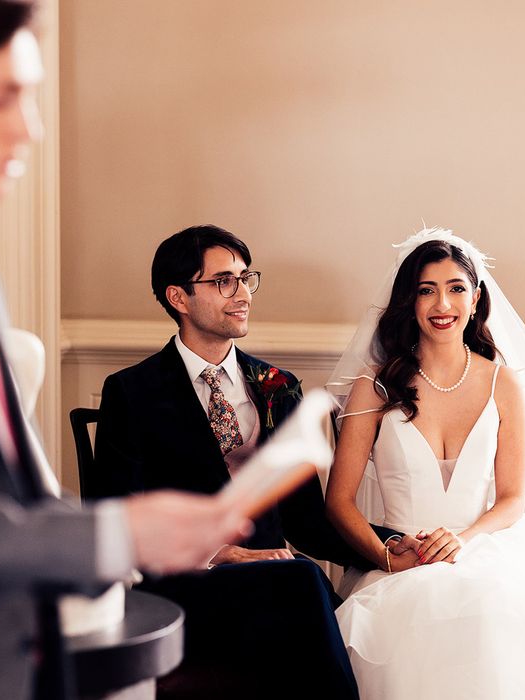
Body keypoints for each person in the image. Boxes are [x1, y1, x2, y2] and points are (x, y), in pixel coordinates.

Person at [0, 3, 253, 699]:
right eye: (2, 97)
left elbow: (4, 493)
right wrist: (111, 536)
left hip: (10, 659)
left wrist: (133, 535)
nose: (31, 126)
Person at [324, 227, 525, 699]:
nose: (443, 305)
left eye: (456, 288)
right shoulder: (374, 387)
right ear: (409, 303)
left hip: (484, 546)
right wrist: (387, 558)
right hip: (401, 563)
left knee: (499, 617)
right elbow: (338, 502)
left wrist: (462, 538)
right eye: (427, 291)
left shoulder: (503, 383)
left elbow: (511, 500)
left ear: (476, 298)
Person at [92, 224, 402, 700]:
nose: (242, 294)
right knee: (304, 580)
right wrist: (223, 555)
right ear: (178, 296)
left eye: (245, 278)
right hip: (185, 588)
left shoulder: (279, 386)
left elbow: (309, 523)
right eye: (223, 282)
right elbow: (115, 518)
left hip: (274, 586)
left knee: (311, 586)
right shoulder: (131, 392)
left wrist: (393, 545)